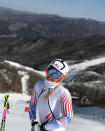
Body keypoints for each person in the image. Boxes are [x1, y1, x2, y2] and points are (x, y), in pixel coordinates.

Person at [29, 59, 73, 131]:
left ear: (61, 77)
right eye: (51, 70)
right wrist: (33, 122)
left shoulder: (63, 92)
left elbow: (68, 117)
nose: (51, 75)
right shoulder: (38, 85)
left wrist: (46, 127)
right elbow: (32, 105)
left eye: (56, 74)